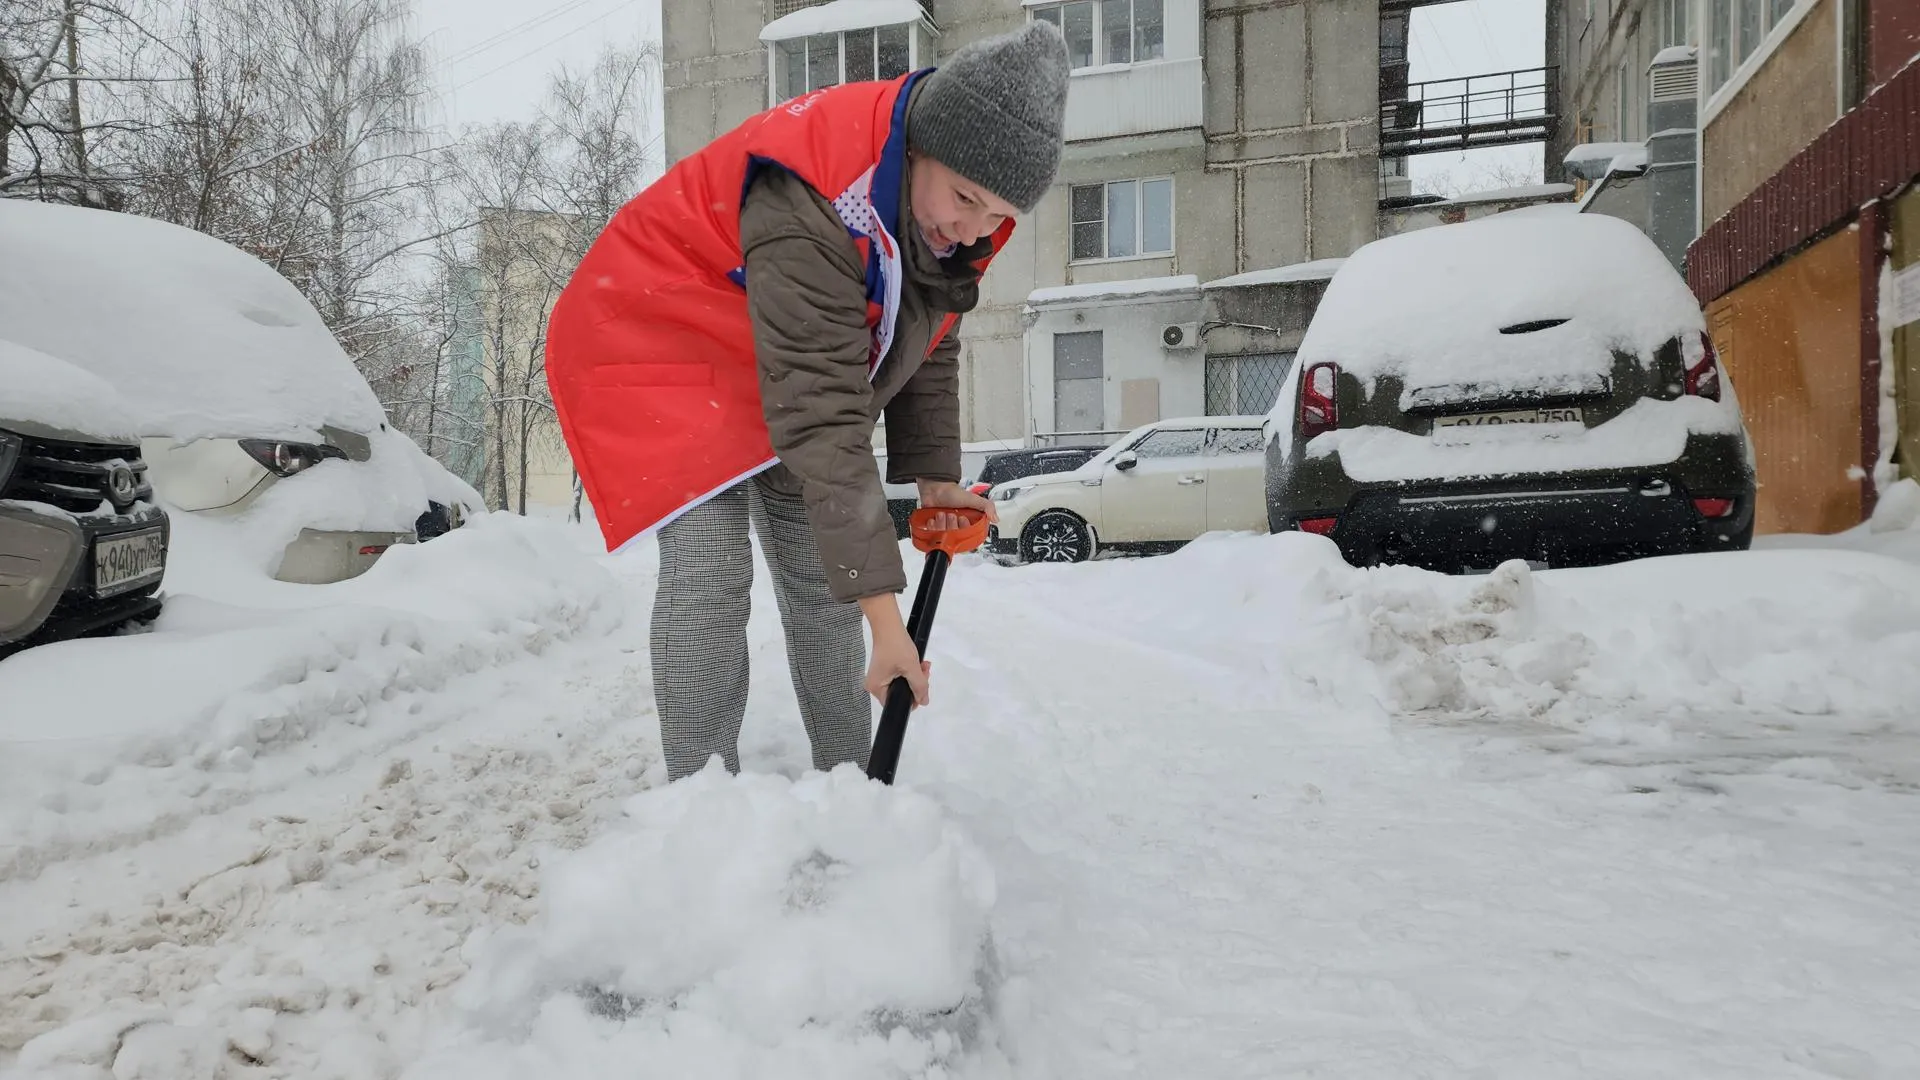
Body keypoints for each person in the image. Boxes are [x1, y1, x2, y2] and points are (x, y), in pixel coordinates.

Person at [545, 22, 1071, 782]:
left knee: (829, 587)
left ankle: (851, 785)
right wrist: (890, 625)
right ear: (921, 143)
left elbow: (925, 331)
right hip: (659, 335)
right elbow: (822, 417)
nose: (971, 229)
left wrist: (936, 479)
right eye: (963, 199)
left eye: (994, 215)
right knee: (711, 577)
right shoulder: (818, 189)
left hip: (775, 353)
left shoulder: (943, 215)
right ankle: (700, 811)